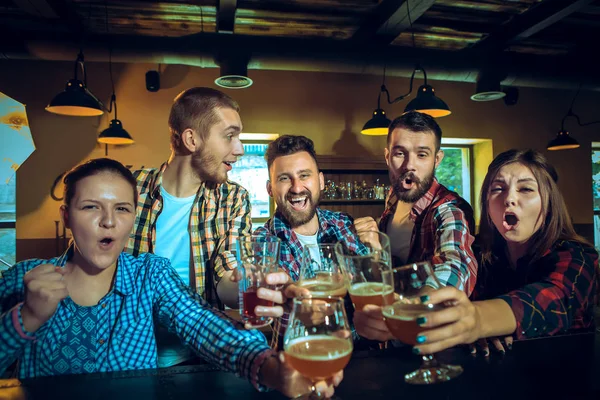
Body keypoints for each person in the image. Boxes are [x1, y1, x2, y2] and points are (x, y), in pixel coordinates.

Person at [0, 158, 343, 398]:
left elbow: (205, 326)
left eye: (122, 208)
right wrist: (26, 318)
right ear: (66, 215)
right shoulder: (23, 280)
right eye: (91, 207)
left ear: (133, 217)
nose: (109, 222)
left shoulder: (149, 275)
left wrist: (271, 367)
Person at [408, 149, 598, 356]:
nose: (509, 199)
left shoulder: (578, 257)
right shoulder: (479, 254)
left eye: (525, 189)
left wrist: (480, 320)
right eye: (498, 189)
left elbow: (553, 299)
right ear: (487, 205)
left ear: (549, 202)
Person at [125, 87, 249, 366]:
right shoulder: (129, 188)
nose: (239, 149)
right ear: (191, 139)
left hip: (200, 358)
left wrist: (247, 282)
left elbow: (225, 277)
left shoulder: (233, 198)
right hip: (126, 358)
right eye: (230, 136)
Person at [352, 111, 478, 342]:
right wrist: (377, 250)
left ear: (436, 159)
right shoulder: (393, 196)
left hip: (433, 341)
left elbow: (457, 263)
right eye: (401, 153)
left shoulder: (448, 209)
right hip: (392, 340)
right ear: (388, 156)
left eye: (422, 154)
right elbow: (395, 270)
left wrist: (420, 308)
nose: (409, 165)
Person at [253, 135, 367, 348]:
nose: (297, 188)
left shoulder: (342, 224)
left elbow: (370, 292)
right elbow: (289, 319)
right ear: (270, 189)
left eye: (304, 175)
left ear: (321, 181)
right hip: (299, 361)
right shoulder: (264, 240)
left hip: (361, 354)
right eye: (284, 178)